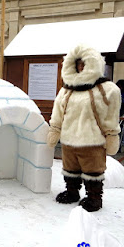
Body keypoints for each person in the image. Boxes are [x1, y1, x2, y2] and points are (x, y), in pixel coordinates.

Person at [47, 44, 121, 212]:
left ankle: (94, 198)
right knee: (70, 170)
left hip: (92, 141)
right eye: (77, 64)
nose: (80, 67)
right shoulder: (66, 90)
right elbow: (58, 112)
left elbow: (111, 115)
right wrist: (55, 129)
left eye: (84, 64)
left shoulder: (107, 89)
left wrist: (112, 135)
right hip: (69, 141)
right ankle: (71, 192)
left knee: (93, 172)